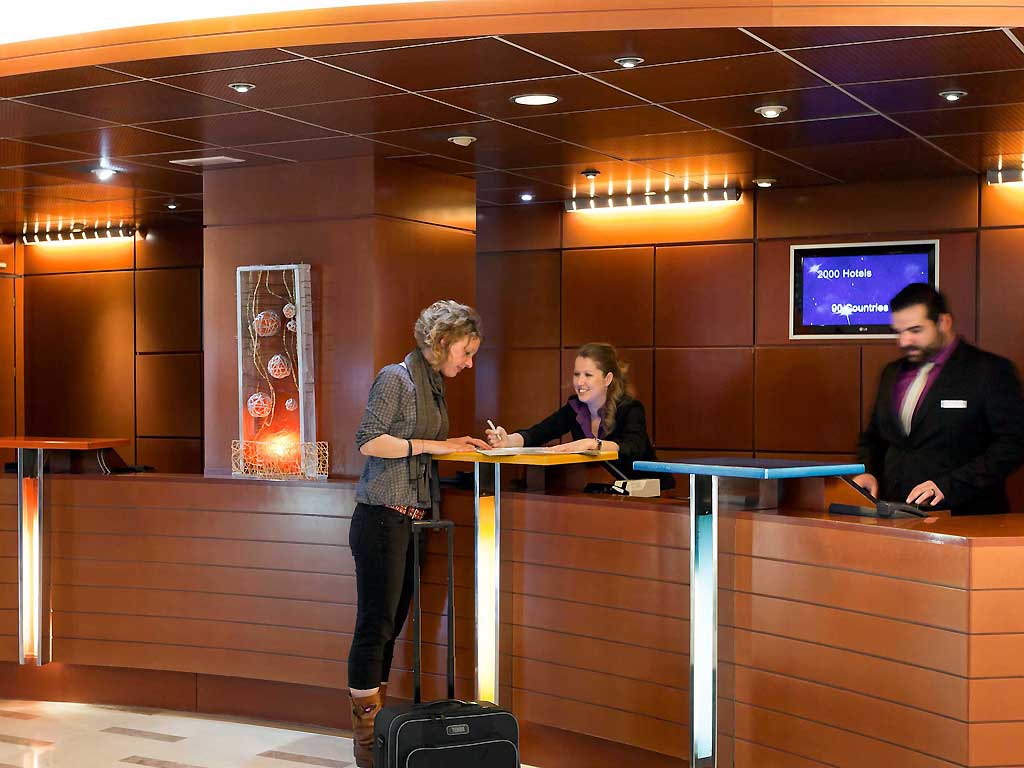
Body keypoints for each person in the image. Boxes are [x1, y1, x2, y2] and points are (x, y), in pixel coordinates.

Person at [348, 300, 488, 768]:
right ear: (442, 342)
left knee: (389, 628)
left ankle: (379, 737)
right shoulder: (397, 378)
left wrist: (453, 446)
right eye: (466, 353)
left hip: (413, 519)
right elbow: (369, 440)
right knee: (376, 627)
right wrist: (435, 445)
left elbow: (424, 445)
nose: (469, 364)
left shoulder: (432, 385)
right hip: (382, 518)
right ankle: (366, 744)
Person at [855, 283, 1024, 515]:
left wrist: (948, 486)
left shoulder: (990, 371)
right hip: (895, 515)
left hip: (965, 517)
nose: (904, 341)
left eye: (915, 330)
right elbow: (874, 438)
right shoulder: (891, 373)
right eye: (899, 332)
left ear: (943, 322)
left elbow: (1013, 445)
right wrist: (868, 471)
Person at [485, 342, 669, 485]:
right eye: (576, 374)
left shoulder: (630, 408)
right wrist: (508, 441)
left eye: (588, 375)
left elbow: (634, 447)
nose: (579, 382)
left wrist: (594, 444)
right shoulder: (575, 407)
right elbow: (538, 433)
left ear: (607, 379)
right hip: (603, 491)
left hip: (648, 492)